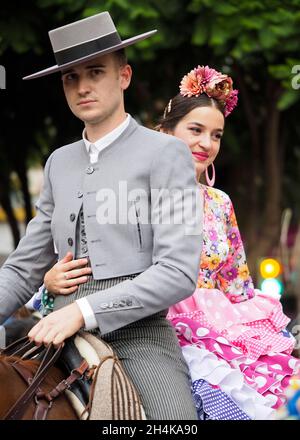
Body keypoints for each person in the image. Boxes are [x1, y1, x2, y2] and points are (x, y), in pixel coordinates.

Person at [44, 64, 300, 420]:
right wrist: (49, 282)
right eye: (195, 130)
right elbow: (89, 265)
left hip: (224, 334)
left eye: (216, 135)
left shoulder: (220, 202)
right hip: (149, 324)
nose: (206, 144)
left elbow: (236, 284)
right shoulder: (130, 191)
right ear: (163, 132)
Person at [0, 12, 204, 420]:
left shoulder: (165, 153)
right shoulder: (58, 162)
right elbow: (24, 267)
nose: (83, 86)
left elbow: (179, 271)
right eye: (70, 78)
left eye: (95, 72)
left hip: (139, 339)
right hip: (50, 335)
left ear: (124, 76)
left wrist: (83, 312)